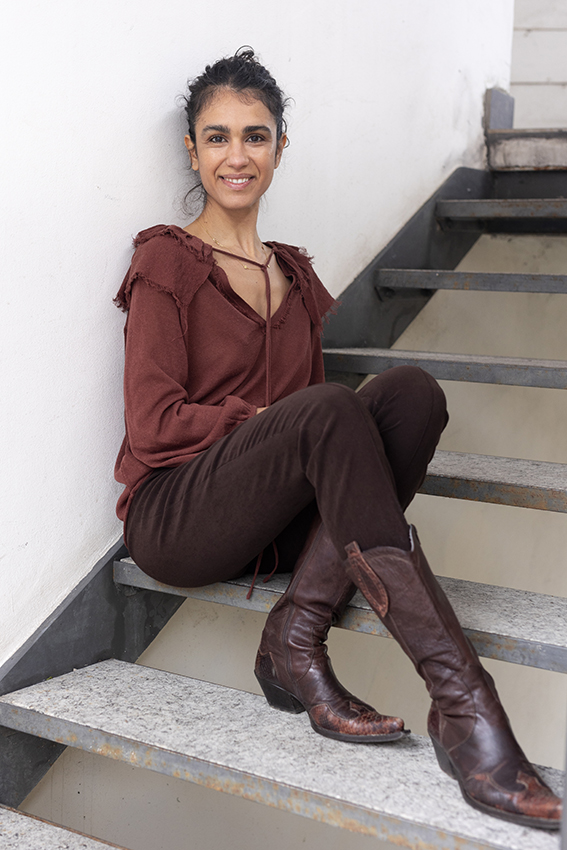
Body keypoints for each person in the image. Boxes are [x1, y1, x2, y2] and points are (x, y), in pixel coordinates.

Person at [114, 48, 561, 830]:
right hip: (178, 518)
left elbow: (324, 445)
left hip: (271, 524)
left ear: (280, 147)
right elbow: (153, 425)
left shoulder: (294, 277)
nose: (236, 156)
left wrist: (287, 427)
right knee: (326, 409)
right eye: (217, 138)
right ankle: (464, 705)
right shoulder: (167, 261)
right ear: (192, 151)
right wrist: (258, 422)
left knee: (411, 394)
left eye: (255, 136)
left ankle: (294, 633)